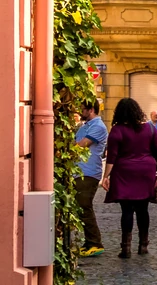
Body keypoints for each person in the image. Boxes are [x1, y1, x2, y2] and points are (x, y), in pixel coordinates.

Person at [100, 97, 157, 258]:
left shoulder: (117, 130)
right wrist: (155, 161)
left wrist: (105, 176)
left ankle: (126, 248)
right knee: (143, 209)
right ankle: (143, 245)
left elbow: (111, 157)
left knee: (126, 210)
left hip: (124, 171)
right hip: (145, 170)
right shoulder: (149, 128)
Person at [71, 100, 108, 256]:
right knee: (81, 208)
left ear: (91, 110)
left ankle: (95, 243)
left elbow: (80, 145)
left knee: (85, 206)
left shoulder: (98, 127)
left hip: (88, 172)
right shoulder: (85, 125)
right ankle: (89, 242)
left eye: (83, 109)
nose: (80, 112)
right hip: (79, 171)